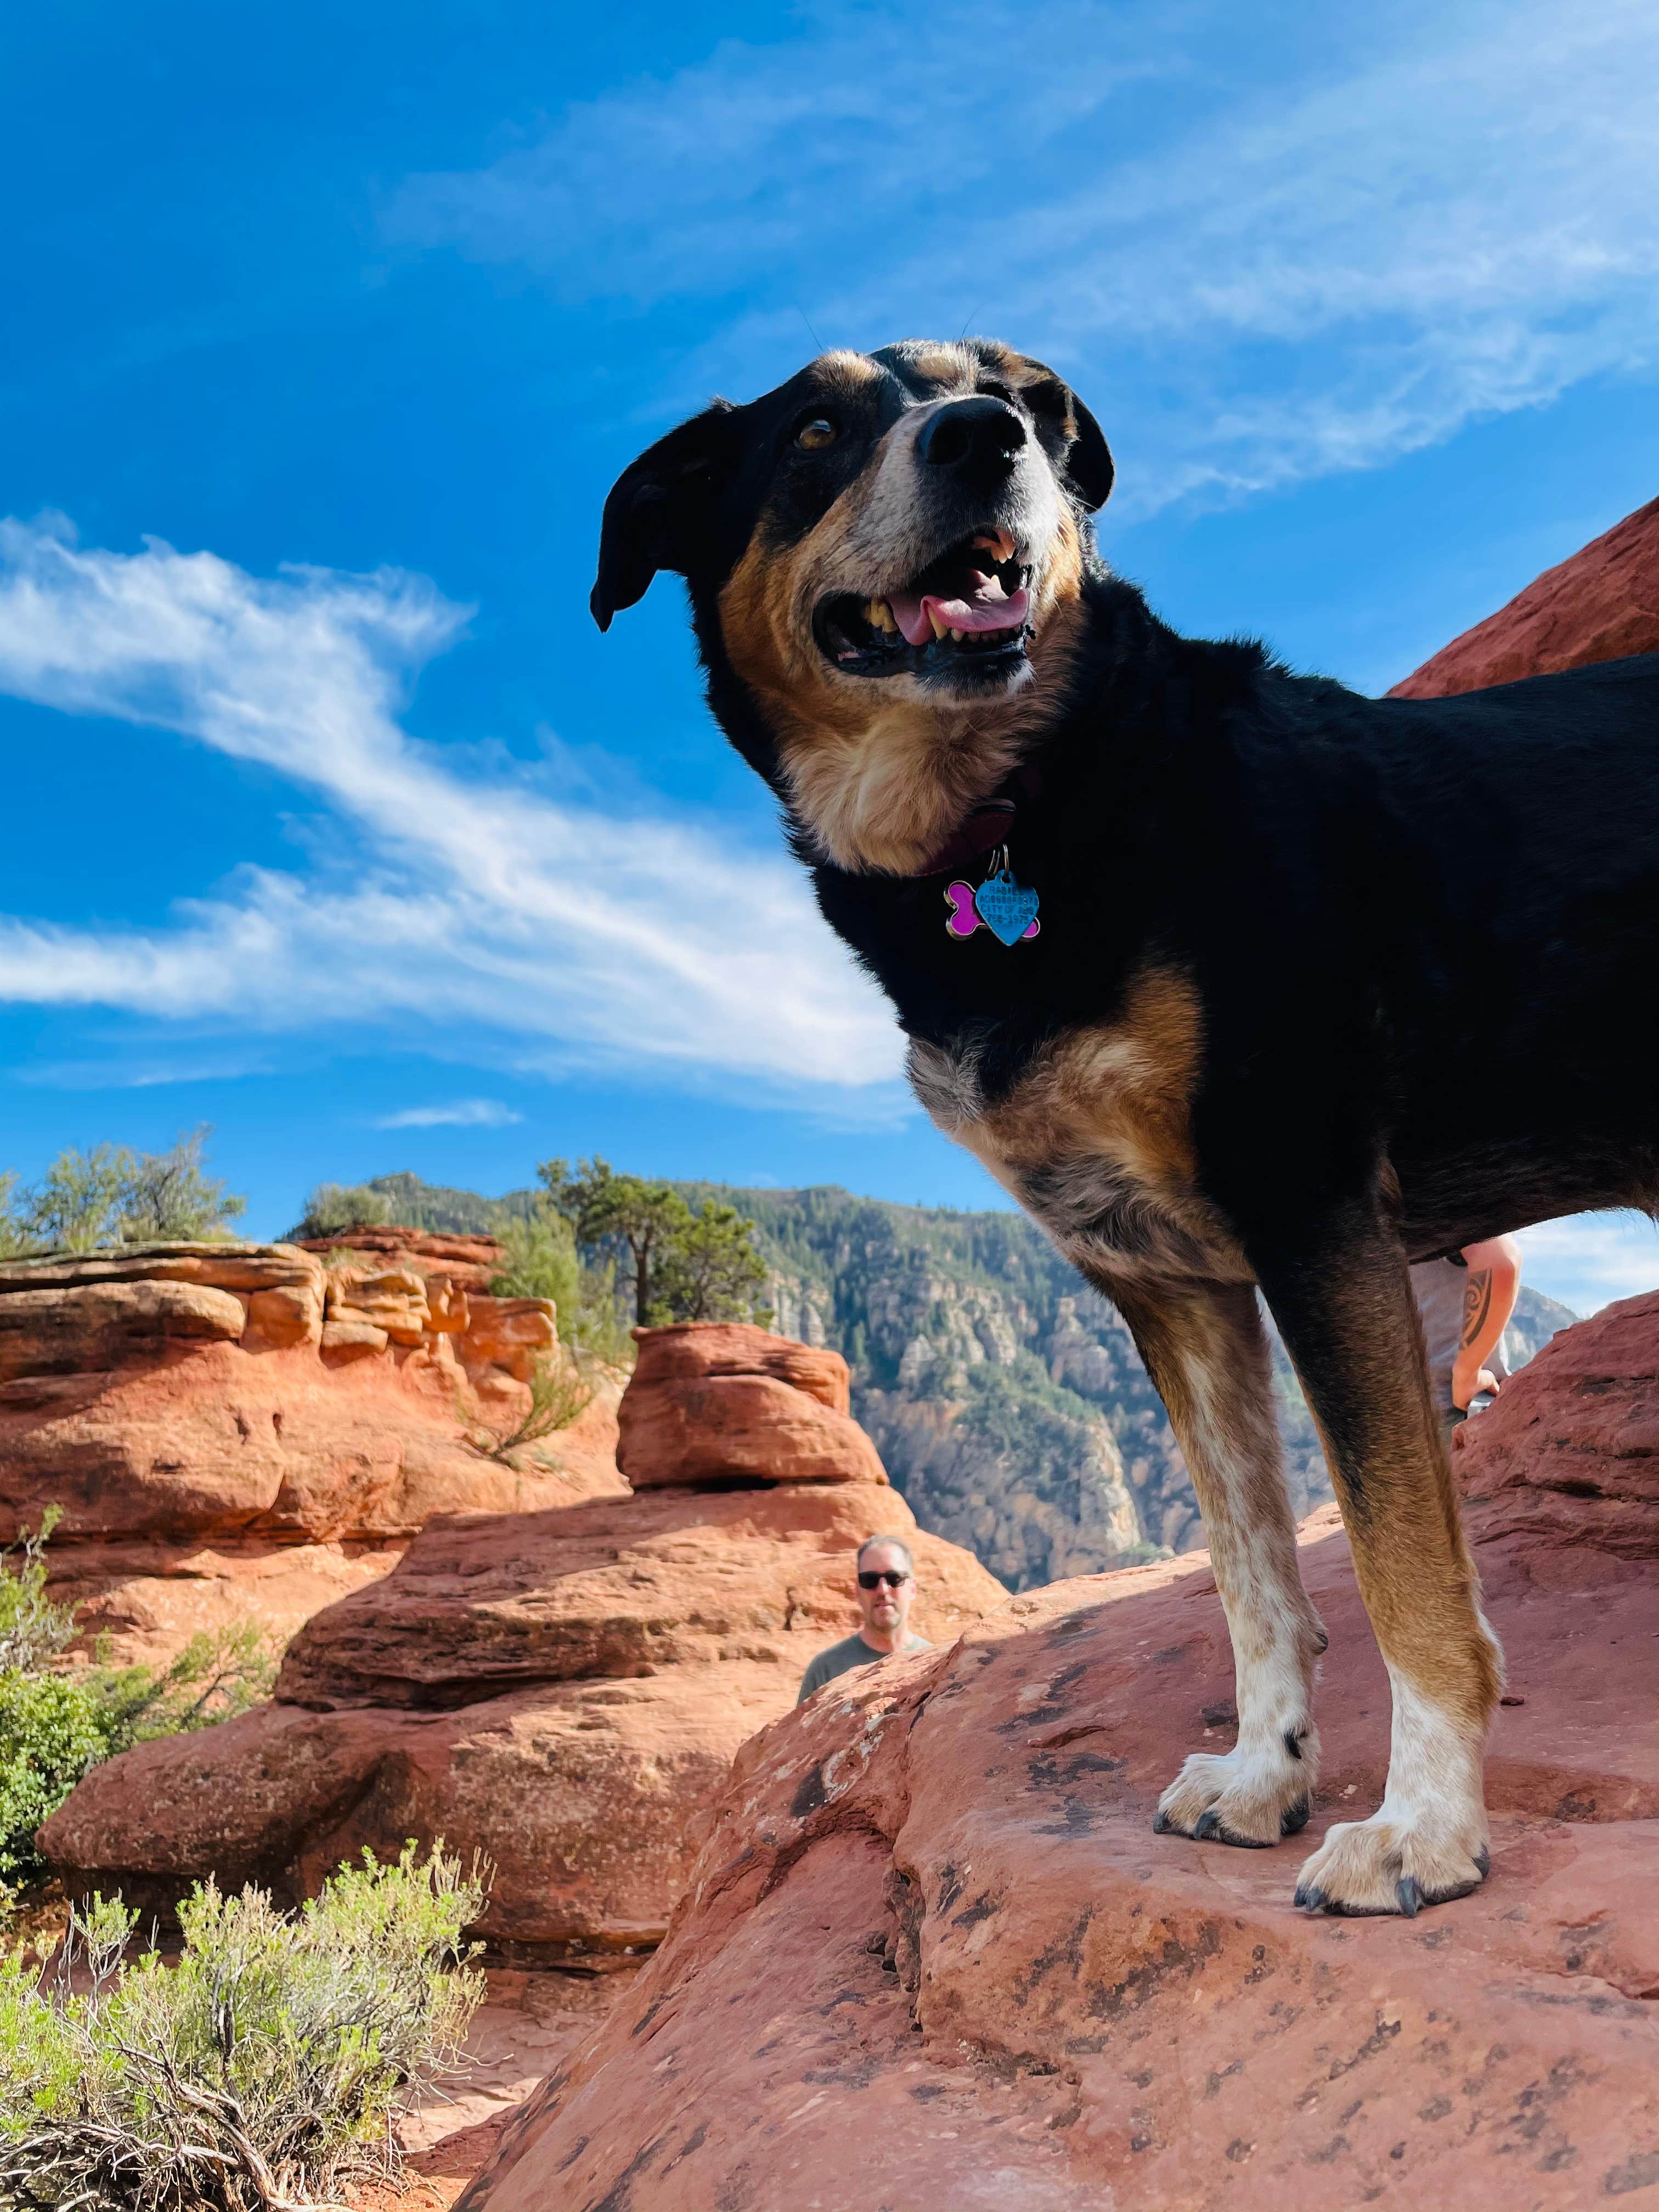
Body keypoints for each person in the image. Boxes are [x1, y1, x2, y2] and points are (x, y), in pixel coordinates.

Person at [797, 1534, 932, 1703]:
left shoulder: (936, 1664)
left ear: (912, 1589)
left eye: (894, 1578)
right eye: (870, 1580)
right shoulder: (825, 1670)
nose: (883, 1590)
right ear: (857, 1591)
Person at [1410, 1235, 1522, 1430]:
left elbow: (1498, 1260)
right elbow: (1498, 1260)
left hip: (1449, 1413)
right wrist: (1467, 1376)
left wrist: (1467, 1374)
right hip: (1440, 1414)